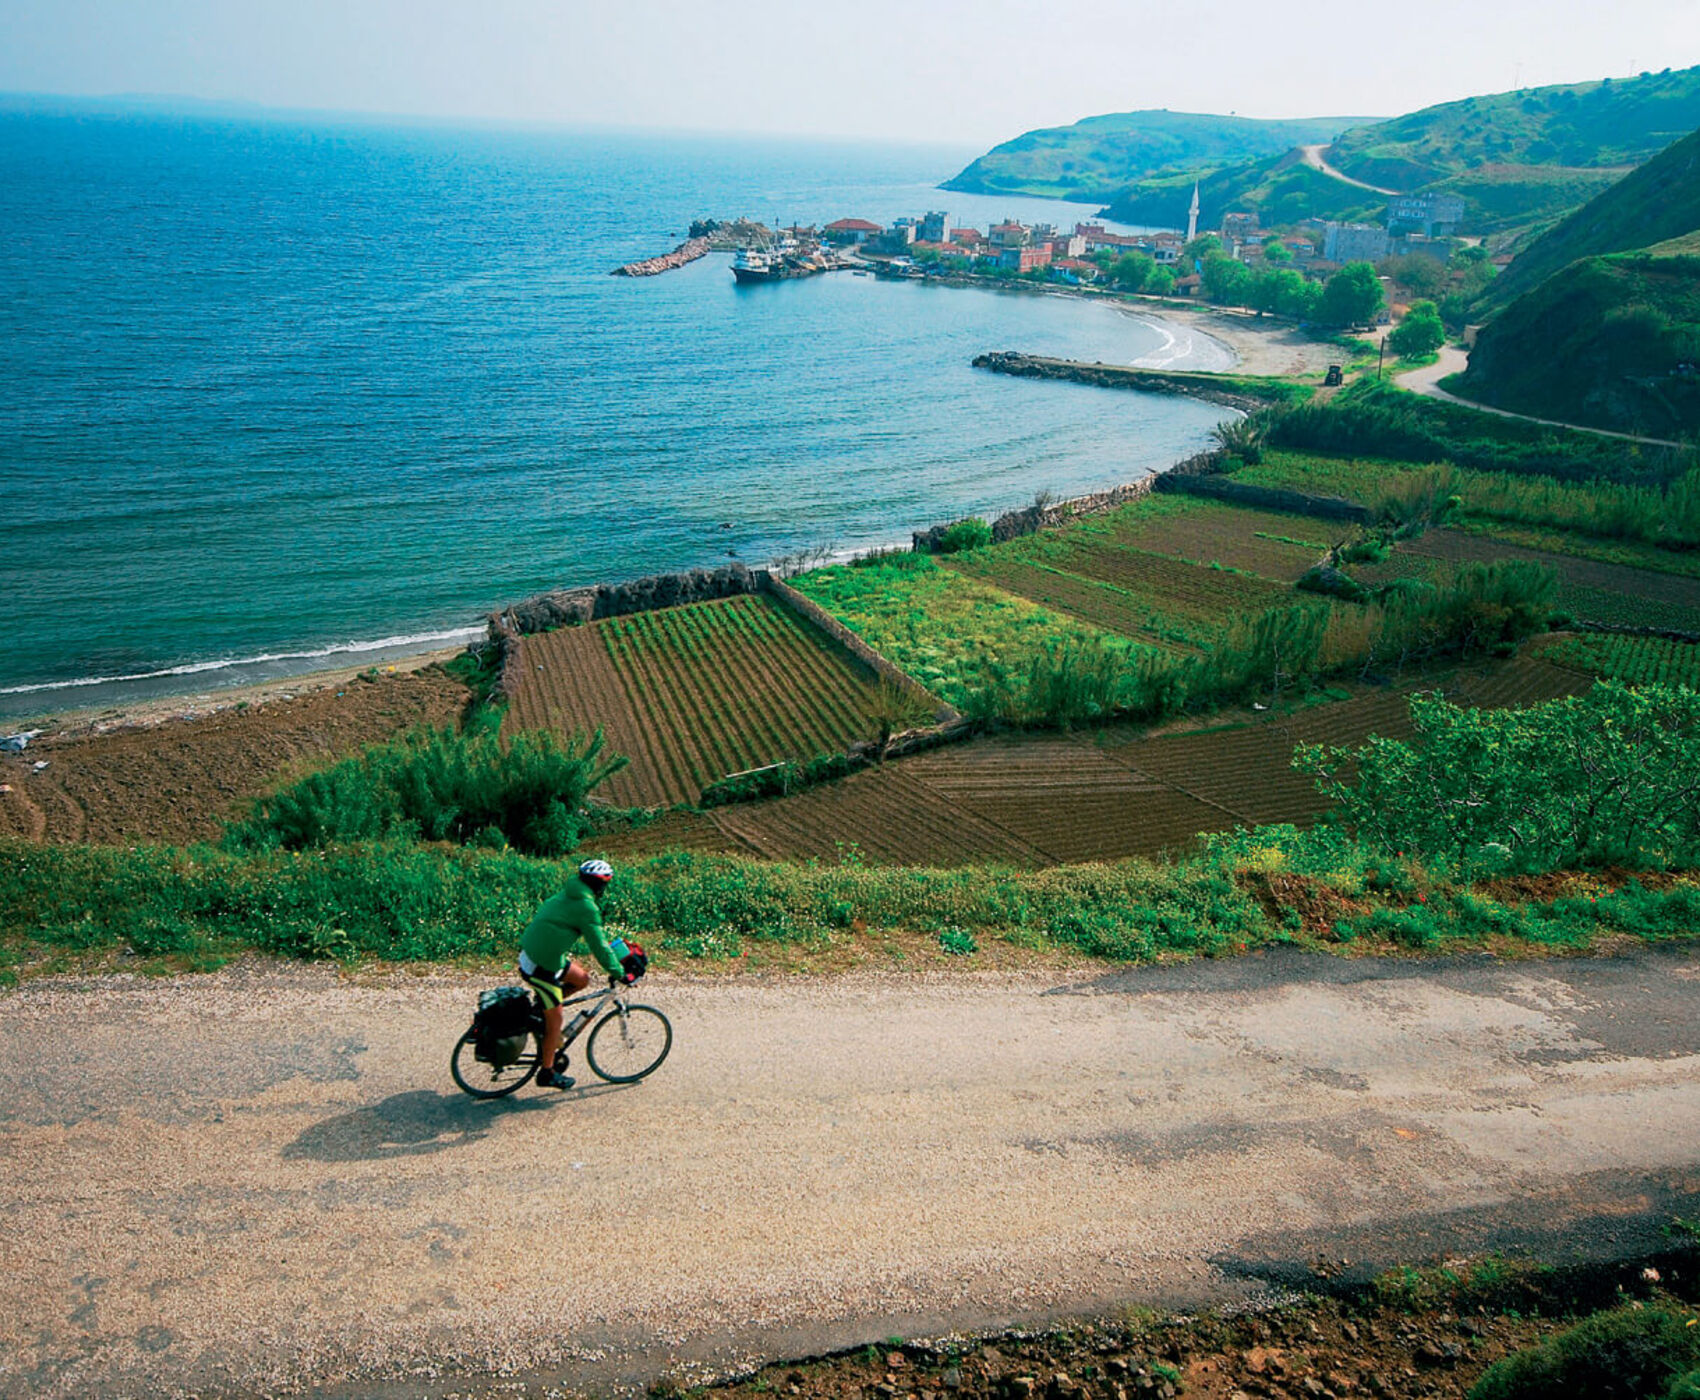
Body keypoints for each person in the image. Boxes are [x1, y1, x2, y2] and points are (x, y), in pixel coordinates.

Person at [518, 857, 631, 1090]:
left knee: (582, 979)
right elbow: (599, 946)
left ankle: (542, 1009)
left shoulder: (571, 891)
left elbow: (595, 939)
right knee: (556, 1019)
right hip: (541, 967)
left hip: (538, 954)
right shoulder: (586, 906)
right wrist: (619, 972)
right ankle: (547, 1072)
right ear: (600, 885)